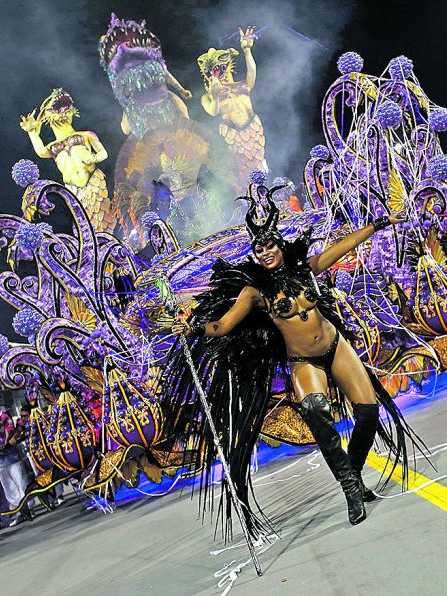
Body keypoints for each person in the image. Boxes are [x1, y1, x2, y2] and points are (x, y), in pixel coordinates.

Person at [168, 189, 422, 538]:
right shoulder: (254, 293)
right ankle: (351, 489)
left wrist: (381, 223)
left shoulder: (307, 269)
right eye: (259, 249)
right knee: (316, 411)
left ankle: (356, 471)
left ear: (279, 245)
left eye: (270, 245)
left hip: (335, 346)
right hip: (304, 360)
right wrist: (194, 326)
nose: (266, 251)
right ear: (255, 255)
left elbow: (345, 245)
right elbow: (224, 326)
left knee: (367, 412)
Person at [0, 396, 32, 526]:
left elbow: (10, 435)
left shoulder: (5, 417)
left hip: (12, 457)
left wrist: (6, 443)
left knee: (21, 482)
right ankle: (18, 511)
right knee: (8, 487)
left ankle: (28, 508)